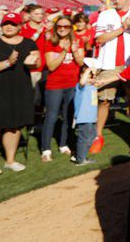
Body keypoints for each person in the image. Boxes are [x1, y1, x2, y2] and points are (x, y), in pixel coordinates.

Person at [0, 13, 39, 176]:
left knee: (14, 125)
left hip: (19, 90)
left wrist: (33, 62)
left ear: (20, 26)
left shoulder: (29, 42)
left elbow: (37, 63)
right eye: (6, 24)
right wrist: (7, 63)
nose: (9, 26)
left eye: (13, 24)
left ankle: (10, 160)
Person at [91, 0, 130, 153]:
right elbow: (100, 38)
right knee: (104, 100)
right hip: (109, 62)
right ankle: (98, 136)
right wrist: (122, 28)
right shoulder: (106, 14)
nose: (117, 0)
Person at [41, 16, 85, 161]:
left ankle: (63, 144)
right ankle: (46, 149)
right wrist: (64, 52)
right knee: (51, 116)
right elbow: (51, 66)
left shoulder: (77, 41)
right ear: (55, 27)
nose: (62, 29)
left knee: (68, 116)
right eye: (59, 26)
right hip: (55, 85)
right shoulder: (50, 43)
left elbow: (80, 63)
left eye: (66, 26)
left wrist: (75, 51)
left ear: (71, 27)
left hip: (71, 84)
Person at [72, 60, 99, 165]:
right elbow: (82, 82)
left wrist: (94, 74)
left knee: (92, 136)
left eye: (92, 76)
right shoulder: (80, 87)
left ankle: (80, 155)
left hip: (91, 118)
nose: (90, 78)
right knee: (84, 138)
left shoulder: (93, 87)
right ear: (82, 75)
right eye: (88, 75)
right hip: (84, 118)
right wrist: (89, 69)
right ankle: (80, 159)